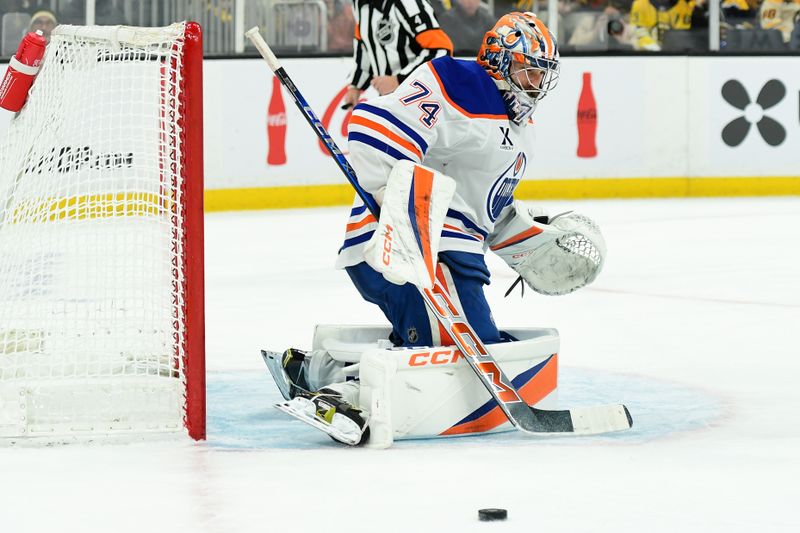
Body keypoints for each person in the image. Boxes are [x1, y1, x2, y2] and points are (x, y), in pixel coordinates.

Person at [266, 12, 606, 445]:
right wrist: (407, 221)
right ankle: (342, 393)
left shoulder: (523, 134)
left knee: (475, 348)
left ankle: (311, 369)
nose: (536, 84)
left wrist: (533, 242)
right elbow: (373, 134)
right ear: (499, 60)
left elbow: (486, 213)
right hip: (398, 248)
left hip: (454, 260)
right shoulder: (459, 81)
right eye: (528, 69)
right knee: (455, 353)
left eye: (543, 75)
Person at [342, 0, 454, 108]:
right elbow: (365, 45)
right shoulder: (359, 3)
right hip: (390, 101)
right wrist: (355, 86)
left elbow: (441, 50)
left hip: (421, 101)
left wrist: (399, 80)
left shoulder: (409, 3)